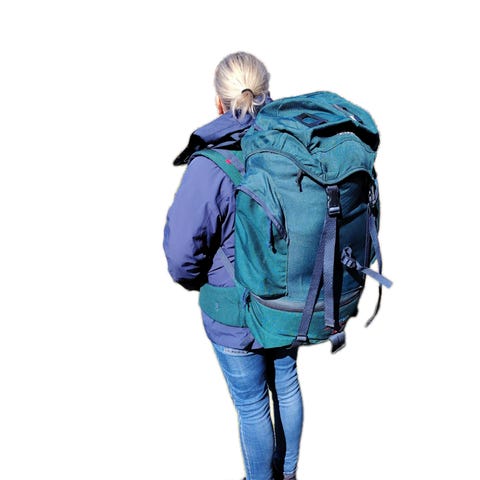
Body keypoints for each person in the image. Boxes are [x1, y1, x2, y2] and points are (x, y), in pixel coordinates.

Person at [163, 52, 302, 480]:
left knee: (252, 405)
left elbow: (181, 254)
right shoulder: (290, 147)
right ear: (267, 93)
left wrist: (202, 282)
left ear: (219, 102)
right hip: (289, 300)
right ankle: (289, 474)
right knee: (287, 384)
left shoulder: (209, 167)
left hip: (235, 311)